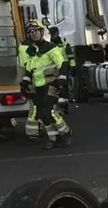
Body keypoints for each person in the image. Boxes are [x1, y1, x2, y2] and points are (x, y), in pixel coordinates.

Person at [20, 20, 72, 148]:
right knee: (42, 114)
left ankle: (65, 132)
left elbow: (62, 63)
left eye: (36, 31)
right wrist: (25, 82)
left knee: (49, 111)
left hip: (52, 84)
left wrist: (61, 79)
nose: (33, 34)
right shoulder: (32, 50)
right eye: (30, 32)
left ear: (41, 31)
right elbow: (30, 68)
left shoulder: (51, 48)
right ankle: (53, 137)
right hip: (38, 86)